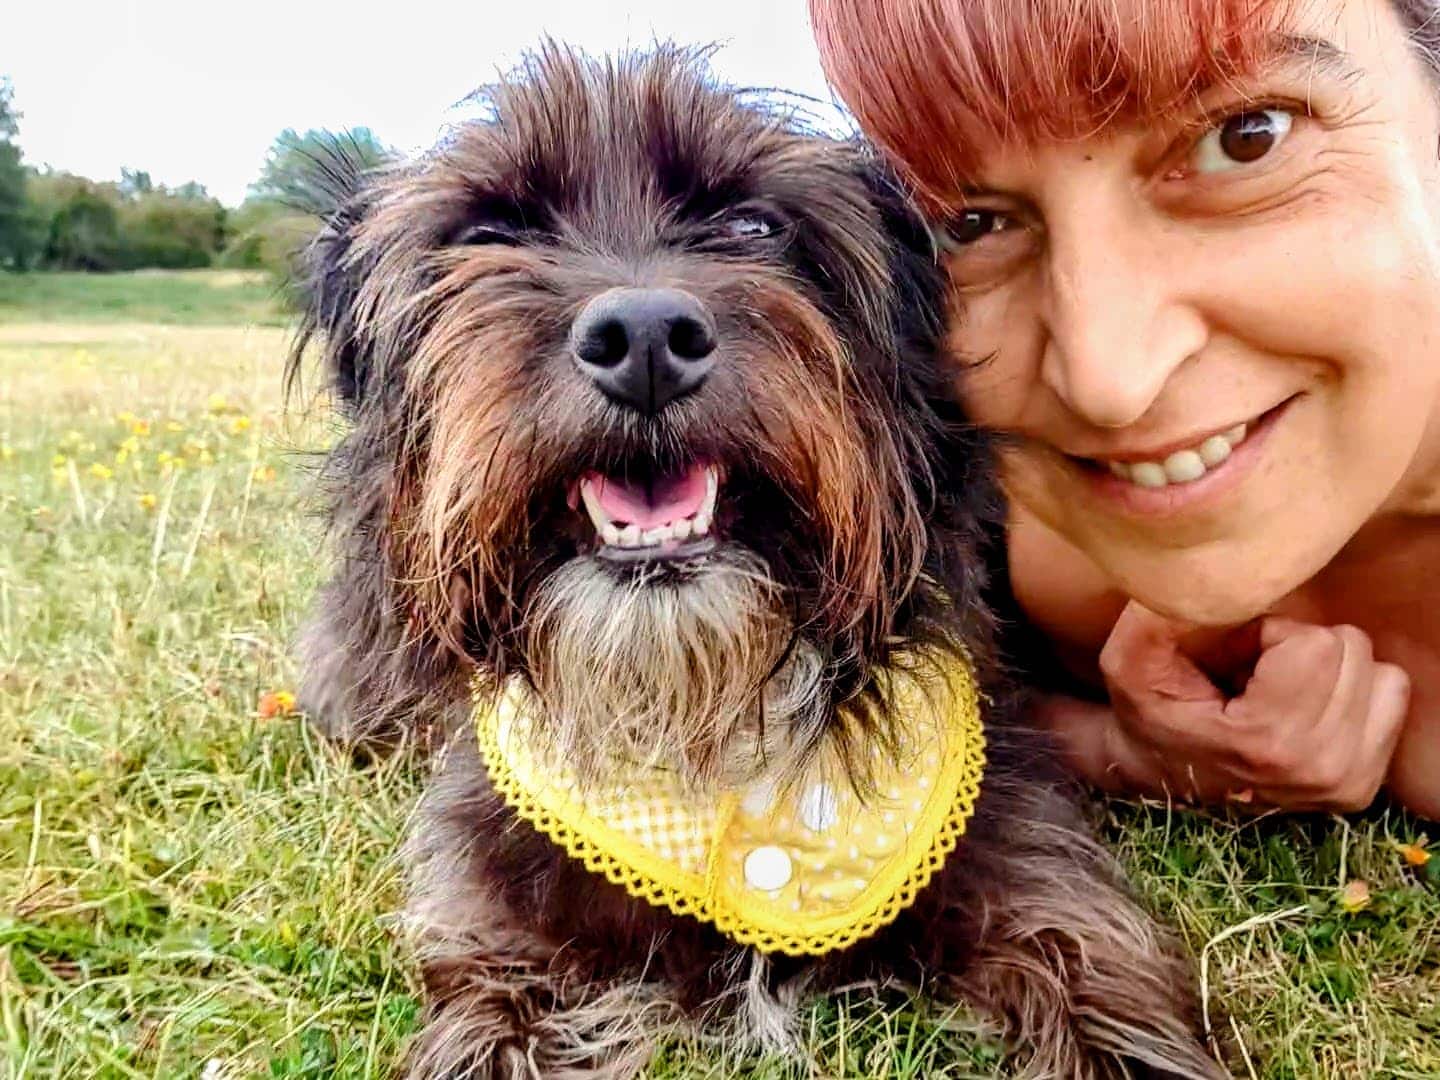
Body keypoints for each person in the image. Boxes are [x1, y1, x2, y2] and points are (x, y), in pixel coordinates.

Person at [809, 0, 1440, 819]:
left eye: (1245, 138)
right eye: (969, 226)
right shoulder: (961, 485)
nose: (1108, 383)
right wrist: (1124, 752)